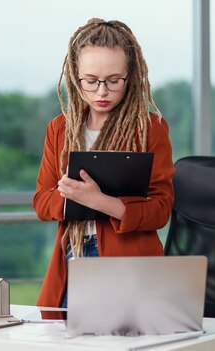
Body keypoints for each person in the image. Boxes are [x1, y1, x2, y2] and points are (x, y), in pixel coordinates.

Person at [32, 18, 175, 308]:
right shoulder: (59, 129)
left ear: (130, 75)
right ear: (75, 74)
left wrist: (100, 201)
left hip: (129, 264)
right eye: (91, 81)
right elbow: (41, 202)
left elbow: (160, 210)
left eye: (113, 81)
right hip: (73, 256)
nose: (101, 92)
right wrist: (70, 197)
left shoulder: (150, 128)